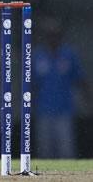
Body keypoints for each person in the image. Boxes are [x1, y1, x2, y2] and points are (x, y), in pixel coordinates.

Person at [34, 18, 92, 158]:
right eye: (50, 35)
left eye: (56, 34)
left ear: (60, 36)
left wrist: (89, 100)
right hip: (44, 109)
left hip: (64, 110)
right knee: (44, 149)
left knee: (66, 148)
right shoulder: (37, 56)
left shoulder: (69, 55)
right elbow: (30, 85)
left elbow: (80, 80)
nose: (53, 38)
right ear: (45, 37)